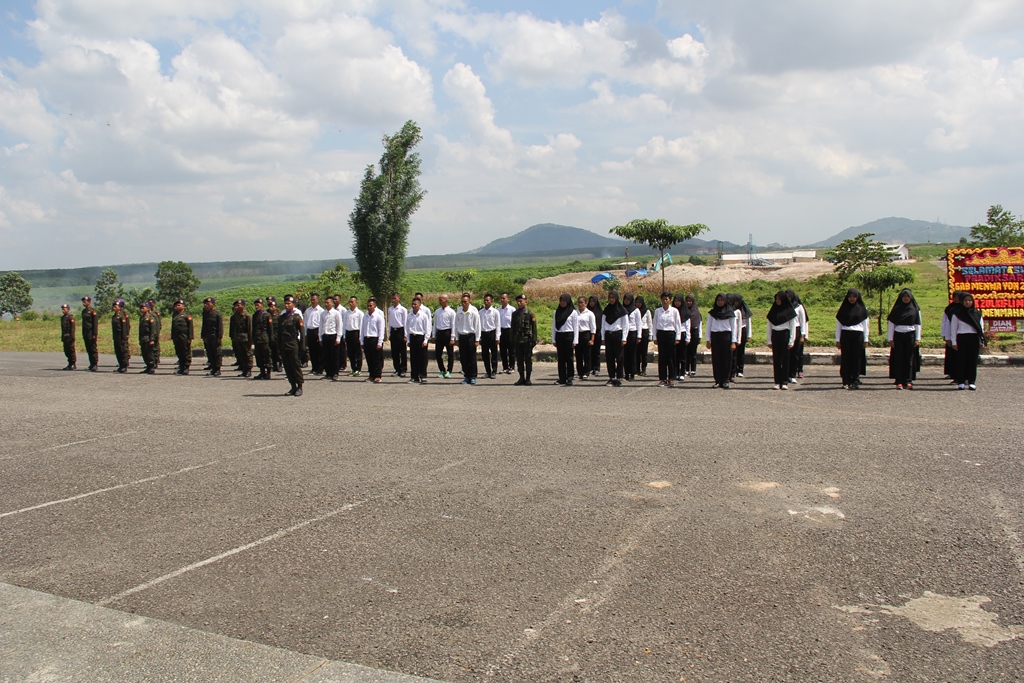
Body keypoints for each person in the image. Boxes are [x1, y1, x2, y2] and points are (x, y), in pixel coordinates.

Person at [835, 288, 870, 390]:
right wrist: (838, 339)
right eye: (850, 297)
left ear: (857, 297)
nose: (852, 299)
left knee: (856, 358)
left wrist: (866, 339)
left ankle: (855, 380)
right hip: (845, 334)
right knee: (846, 358)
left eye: (854, 297)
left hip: (858, 335)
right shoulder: (843, 309)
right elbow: (839, 325)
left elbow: (866, 326)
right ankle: (845, 380)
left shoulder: (862, 309)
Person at [887, 288, 922, 390]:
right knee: (899, 358)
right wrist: (890, 338)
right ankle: (899, 381)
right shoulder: (896, 310)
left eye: (908, 296)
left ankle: (908, 380)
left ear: (911, 298)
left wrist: (917, 338)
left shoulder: (915, 309)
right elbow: (891, 324)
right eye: (904, 297)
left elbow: (918, 324)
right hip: (898, 335)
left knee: (909, 359)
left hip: (910, 335)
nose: (906, 298)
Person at [951, 292, 985, 390]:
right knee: (961, 360)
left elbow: (981, 328)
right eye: (966, 300)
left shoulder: (977, 313)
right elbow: (953, 329)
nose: (968, 302)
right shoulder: (957, 314)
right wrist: (954, 342)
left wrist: (981, 341)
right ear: (962, 302)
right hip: (962, 338)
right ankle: (961, 381)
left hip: (973, 338)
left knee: (972, 360)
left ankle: (971, 381)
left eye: (970, 300)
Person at [705, 293, 738, 389]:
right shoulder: (712, 313)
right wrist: (708, 339)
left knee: (727, 359)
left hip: (726, 336)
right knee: (716, 359)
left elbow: (734, 328)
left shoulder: (730, 313)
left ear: (725, 301)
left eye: (722, 300)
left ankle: (726, 380)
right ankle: (718, 380)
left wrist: (733, 342)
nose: (720, 302)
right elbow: (708, 326)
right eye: (718, 300)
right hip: (715, 336)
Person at [766, 291, 798, 390]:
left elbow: (792, 327)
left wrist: (791, 341)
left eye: (779, 299)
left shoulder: (789, 311)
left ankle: (784, 382)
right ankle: (777, 381)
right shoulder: (773, 311)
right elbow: (769, 326)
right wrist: (769, 341)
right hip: (775, 335)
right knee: (776, 359)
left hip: (785, 335)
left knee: (785, 359)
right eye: (776, 299)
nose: (778, 301)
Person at [652, 292, 685, 387]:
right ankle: (662, 378)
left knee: (671, 357)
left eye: (667, 299)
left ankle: (671, 378)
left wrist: (677, 337)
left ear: (670, 300)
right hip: (661, 334)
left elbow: (678, 325)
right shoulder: (658, 311)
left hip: (671, 334)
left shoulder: (674, 311)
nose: (665, 301)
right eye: (663, 299)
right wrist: (655, 337)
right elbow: (655, 324)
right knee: (662, 357)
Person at [279, 295, 305, 396]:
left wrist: (302, 347)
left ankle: (299, 386)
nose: (286, 305)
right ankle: (292, 386)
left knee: (295, 365)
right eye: (285, 303)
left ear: (293, 304)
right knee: (287, 366)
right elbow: (280, 333)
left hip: (293, 343)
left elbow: (302, 333)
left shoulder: (296, 317)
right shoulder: (282, 317)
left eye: (289, 304)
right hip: (284, 344)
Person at [601, 291, 629, 387]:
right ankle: (612, 377)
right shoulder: (606, 310)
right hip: (608, 335)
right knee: (609, 357)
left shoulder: (622, 311)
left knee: (620, 357)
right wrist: (603, 337)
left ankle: (619, 376)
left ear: (616, 298)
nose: (611, 299)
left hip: (618, 335)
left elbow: (625, 326)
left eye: (613, 298)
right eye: (610, 298)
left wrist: (624, 338)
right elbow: (603, 324)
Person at [454, 293, 482, 385]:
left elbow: (477, 326)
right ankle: (466, 376)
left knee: (472, 358)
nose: (463, 303)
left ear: (469, 302)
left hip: (471, 336)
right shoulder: (459, 312)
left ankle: (473, 376)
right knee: (463, 358)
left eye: (465, 301)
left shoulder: (473, 312)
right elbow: (456, 326)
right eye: (462, 301)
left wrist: (477, 339)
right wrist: (456, 338)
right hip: (462, 336)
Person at [552, 293, 579, 385]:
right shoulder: (556, 312)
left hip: (569, 336)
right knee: (561, 358)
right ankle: (562, 378)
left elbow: (576, 327)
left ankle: (570, 377)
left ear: (568, 301)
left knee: (569, 357)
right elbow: (554, 326)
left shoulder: (573, 312)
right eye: (561, 301)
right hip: (559, 336)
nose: (562, 302)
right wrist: (553, 339)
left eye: (564, 301)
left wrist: (575, 340)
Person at [510, 293, 537, 385]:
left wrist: (534, 340)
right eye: (518, 301)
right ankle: (521, 377)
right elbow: (512, 328)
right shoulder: (514, 314)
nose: (519, 303)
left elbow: (534, 328)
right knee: (520, 360)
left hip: (527, 340)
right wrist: (512, 340)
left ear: (526, 302)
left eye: (521, 301)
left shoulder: (530, 314)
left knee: (528, 359)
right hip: (518, 340)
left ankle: (528, 378)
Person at [361, 296, 386, 383]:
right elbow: (363, 329)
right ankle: (371, 375)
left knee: (377, 359)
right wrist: (362, 340)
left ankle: (378, 375)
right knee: (369, 358)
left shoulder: (378, 317)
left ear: (374, 306)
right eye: (368, 306)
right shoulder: (365, 316)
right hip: (367, 338)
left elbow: (381, 330)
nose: (369, 307)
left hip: (375, 339)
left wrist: (380, 342)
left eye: (371, 306)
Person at [406, 296, 431, 383]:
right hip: (413, 337)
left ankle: (423, 376)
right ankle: (414, 377)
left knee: (422, 358)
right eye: (412, 304)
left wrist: (426, 340)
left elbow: (427, 329)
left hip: (421, 337)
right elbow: (407, 328)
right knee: (413, 358)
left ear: (419, 305)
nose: (413, 306)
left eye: (415, 304)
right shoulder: (409, 316)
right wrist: (408, 340)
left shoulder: (423, 316)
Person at [786, 290, 809, 381]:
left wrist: (803, 335)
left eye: (789, 296)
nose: (788, 298)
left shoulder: (799, 307)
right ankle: (786, 374)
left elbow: (803, 322)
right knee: (787, 354)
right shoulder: (784, 306)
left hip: (797, 330)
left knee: (796, 354)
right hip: (787, 330)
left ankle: (793, 373)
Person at [941, 291, 964, 381]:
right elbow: (945, 322)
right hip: (950, 334)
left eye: (958, 297)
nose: (956, 299)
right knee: (951, 355)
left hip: (961, 335)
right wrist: (945, 335)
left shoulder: (964, 308)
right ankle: (951, 373)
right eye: (954, 297)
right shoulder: (949, 309)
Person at [318, 296, 342, 380]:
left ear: (332, 303)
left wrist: (338, 338)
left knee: (334, 356)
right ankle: (328, 373)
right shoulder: (323, 313)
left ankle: (335, 373)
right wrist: (320, 337)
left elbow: (339, 326)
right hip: (325, 336)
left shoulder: (336, 313)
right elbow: (321, 326)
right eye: (325, 303)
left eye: (328, 303)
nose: (326, 304)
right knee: (326, 355)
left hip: (333, 336)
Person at [433, 294, 456, 378]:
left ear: (446, 300)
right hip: (439, 333)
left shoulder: (451, 312)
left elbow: (453, 325)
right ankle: (442, 370)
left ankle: (449, 371)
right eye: (439, 299)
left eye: (441, 299)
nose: (440, 301)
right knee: (438, 353)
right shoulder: (437, 311)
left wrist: (452, 337)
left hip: (448, 333)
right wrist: (434, 334)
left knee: (450, 353)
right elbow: (435, 324)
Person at [730, 294, 753, 379]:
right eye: (734, 301)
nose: (736, 303)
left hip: (742, 331)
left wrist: (748, 335)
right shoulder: (732, 310)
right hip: (733, 331)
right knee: (734, 353)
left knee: (741, 352)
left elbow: (748, 323)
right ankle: (733, 369)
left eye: (737, 301)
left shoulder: (745, 311)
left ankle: (740, 369)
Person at [252, 298, 275, 379]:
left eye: (258, 305)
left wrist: (271, 339)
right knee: (259, 356)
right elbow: (253, 328)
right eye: (255, 305)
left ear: (262, 305)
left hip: (264, 338)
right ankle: (262, 372)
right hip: (257, 338)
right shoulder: (255, 315)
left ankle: (268, 372)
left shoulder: (267, 315)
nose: (256, 307)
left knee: (267, 355)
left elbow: (270, 328)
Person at [229, 299, 253, 377]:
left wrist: (250, 340)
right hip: (237, 338)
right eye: (236, 306)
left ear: (243, 306)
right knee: (241, 354)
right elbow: (233, 328)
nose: (236, 307)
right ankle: (244, 369)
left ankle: (249, 369)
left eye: (238, 305)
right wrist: (232, 337)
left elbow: (250, 329)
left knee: (247, 354)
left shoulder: (247, 316)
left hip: (245, 338)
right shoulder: (235, 316)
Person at [479, 294, 500, 379]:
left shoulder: (495, 312)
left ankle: (494, 371)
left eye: (488, 300)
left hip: (492, 333)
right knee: (485, 354)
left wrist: (497, 337)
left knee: (494, 353)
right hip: (484, 334)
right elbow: (478, 325)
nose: (486, 302)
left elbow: (498, 325)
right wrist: (479, 337)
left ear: (491, 301)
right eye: (485, 300)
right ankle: (488, 371)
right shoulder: (480, 312)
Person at [201, 297, 224, 376]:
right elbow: (204, 325)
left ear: (213, 304)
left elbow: (220, 326)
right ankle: (213, 368)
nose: (206, 305)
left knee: (217, 352)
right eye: (205, 304)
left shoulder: (217, 314)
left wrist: (219, 337)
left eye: (208, 304)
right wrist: (203, 336)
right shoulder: (205, 314)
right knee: (210, 352)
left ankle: (218, 369)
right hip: (208, 335)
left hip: (215, 335)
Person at [387, 292, 408, 377]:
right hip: (393, 330)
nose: (393, 300)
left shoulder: (403, 310)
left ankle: (403, 369)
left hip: (400, 330)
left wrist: (405, 335)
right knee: (394, 352)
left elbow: (405, 322)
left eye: (395, 298)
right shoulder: (390, 309)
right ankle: (397, 369)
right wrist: (389, 333)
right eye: (393, 298)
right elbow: (389, 322)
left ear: (399, 298)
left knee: (402, 352)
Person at [575, 296, 596, 380]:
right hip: (577, 335)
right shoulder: (575, 313)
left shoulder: (589, 313)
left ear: (586, 303)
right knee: (578, 355)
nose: (580, 304)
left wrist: (592, 339)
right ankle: (580, 372)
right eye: (579, 303)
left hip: (586, 334)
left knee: (587, 355)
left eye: (582, 303)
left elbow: (593, 327)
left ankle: (586, 372)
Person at [343, 296, 364, 376]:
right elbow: (344, 324)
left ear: (356, 302)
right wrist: (344, 335)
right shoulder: (346, 313)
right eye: (350, 302)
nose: (350, 303)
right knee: (350, 352)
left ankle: (358, 369)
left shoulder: (359, 313)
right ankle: (353, 368)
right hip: (349, 333)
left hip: (356, 332)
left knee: (357, 352)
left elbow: (361, 325)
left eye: (352, 302)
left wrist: (360, 337)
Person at [303, 293, 324, 374]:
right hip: (310, 331)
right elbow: (305, 322)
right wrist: (305, 333)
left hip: (317, 331)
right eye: (312, 299)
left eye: (314, 299)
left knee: (319, 350)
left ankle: (320, 368)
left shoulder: (321, 310)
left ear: (318, 300)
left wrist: (320, 334)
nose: (313, 301)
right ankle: (314, 367)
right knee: (312, 350)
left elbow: (322, 323)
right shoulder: (308, 310)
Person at [622, 293, 640, 381]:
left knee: (632, 354)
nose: (626, 301)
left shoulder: (635, 310)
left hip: (633, 332)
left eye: (628, 299)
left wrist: (639, 336)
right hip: (624, 333)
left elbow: (638, 324)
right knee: (624, 354)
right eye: (625, 299)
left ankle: (633, 373)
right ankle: (626, 373)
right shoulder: (621, 309)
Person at [683, 294, 702, 379]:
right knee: (686, 352)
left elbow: (699, 324)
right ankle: (686, 369)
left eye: (690, 301)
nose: (688, 302)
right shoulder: (684, 312)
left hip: (694, 332)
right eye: (687, 301)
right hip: (686, 332)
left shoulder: (696, 312)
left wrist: (700, 336)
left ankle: (693, 369)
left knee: (693, 352)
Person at [498, 292, 516, 374]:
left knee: (511, 350)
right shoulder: (498, 310)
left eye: (504, 298)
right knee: (503, 350)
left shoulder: (512, 309)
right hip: (501, 331)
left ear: (508, 299)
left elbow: (514, 322)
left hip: (510, 330)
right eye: (501, 298)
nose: (502, 300)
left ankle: (512, 367)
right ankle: (505, 367)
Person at [138, 301, 158, 374]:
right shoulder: (142, 318)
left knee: (150, 353)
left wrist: (152, 339)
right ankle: (148, 366)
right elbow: (140, 330)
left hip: (148, 338)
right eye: (141, 308)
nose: (141, 309)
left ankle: (152, 367)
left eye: (143, 308)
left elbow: (153, 329)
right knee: (144, 353)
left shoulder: (151, 318)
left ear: (148, 308)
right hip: (143, 338)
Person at [111, 298, 131, 373]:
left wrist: (124, 337)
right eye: (114, 306)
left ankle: (124, 365)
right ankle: (120, 365)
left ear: (120, 307)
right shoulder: (114, 316)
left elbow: (125, 327)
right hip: (116, 336)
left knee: (123, 350)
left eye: (116, 306)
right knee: (118, 351)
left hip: (121, 335)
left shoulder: (122, 316)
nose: (114, 307)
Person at [80, 296, 99, 371]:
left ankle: (95, 363)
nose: (84, 303)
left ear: (89, 302)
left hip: (91, 332)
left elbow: (95, 324)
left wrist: (95, 334)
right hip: (86, 332)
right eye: (83, 301)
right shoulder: (84, 311)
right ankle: (91, 363)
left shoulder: (93, 311)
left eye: (85, 301)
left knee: (93, 348)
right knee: (88, 348)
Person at [586, 295, 603, 376]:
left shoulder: (600, 311)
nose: (592, 303)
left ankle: (596, 368)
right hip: (588, 333)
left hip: (598, 333)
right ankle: (590, 368)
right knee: (589, 352)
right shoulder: (587, 312)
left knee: (596, 352)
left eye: (593, 301)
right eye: (590, 301)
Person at [636, 296, 651, 376]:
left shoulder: (646, 311)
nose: (638, 304)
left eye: (639, 302)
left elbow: (649, 323)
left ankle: (644, 369)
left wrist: (650, 335)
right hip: (636, 332)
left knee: (644, 352)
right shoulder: (634, 311)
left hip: (644, 331)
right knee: (637, 352)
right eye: (637, 302)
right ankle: (637, 369)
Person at [267, 297, 283, 373]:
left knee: (278, 350)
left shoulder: (279, 315)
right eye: (270, 306)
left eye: (273, 306)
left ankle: (280, 364)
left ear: (275, 307)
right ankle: (274, 365)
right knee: (271, 350)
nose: (271, 308)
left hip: (277, 334)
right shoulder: (267, 315)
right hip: (270, 334)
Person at [59, 304, 77, 370]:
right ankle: (69, 363)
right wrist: (62, 337)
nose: (63, 310)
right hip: (65, 336)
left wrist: (72, 337)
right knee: (66, 350)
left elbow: (72, 328)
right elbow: (62, 328)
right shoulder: (62, 318)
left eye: (64, 309)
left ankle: (73, 363)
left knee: (71, 350)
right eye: (62, 309)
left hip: (70, 336)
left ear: (68, 309)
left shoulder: (71, 318)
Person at [147, 299, 162, 369]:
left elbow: (158, 323)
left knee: (155, 346)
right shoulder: (148, 314)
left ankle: (156, 359)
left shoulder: (155, 313)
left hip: (155, 331)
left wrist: (157, 332)